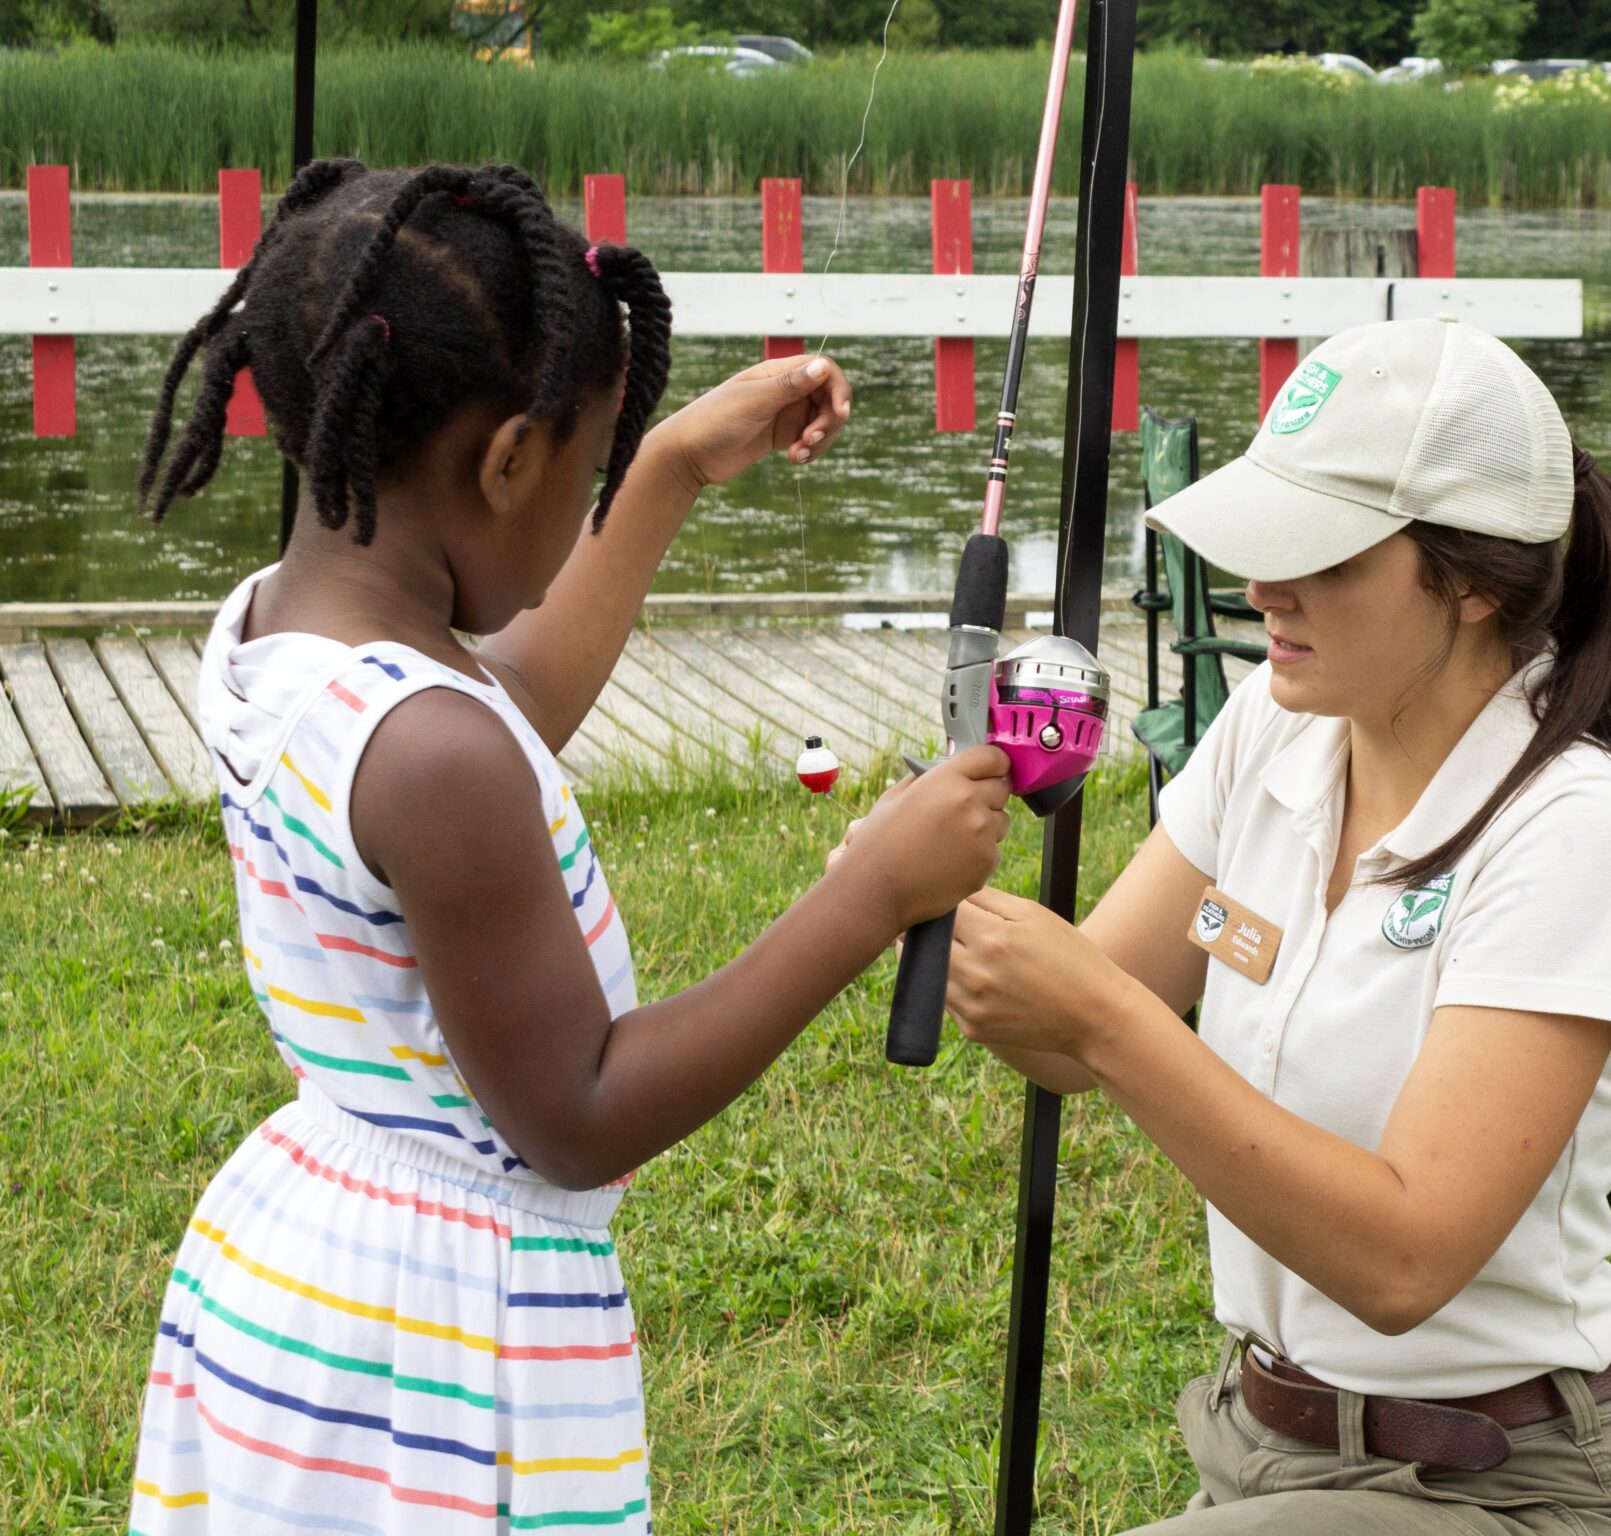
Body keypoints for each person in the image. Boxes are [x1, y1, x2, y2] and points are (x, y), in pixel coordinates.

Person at [128, 160, 1011, 1535]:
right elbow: (580, 1117)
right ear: (505, 460)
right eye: (586, 473)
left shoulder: (290, 633)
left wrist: (662, 473)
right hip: (435, 1351)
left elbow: (504, 711)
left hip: (305, 1271)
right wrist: (866, 896)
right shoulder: (433, 755)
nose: (587, 503)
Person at [932, 319, 1611, 1533]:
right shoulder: (1276, 730)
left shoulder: (1576, 833)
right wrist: (918, 893)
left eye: (1322, 556)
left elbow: (1405, 1260)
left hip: (1511, 1489)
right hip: (1266, 1457)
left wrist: (1107, 1022)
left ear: (1471, 581)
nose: (1260, 592)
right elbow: (1056, 1034)